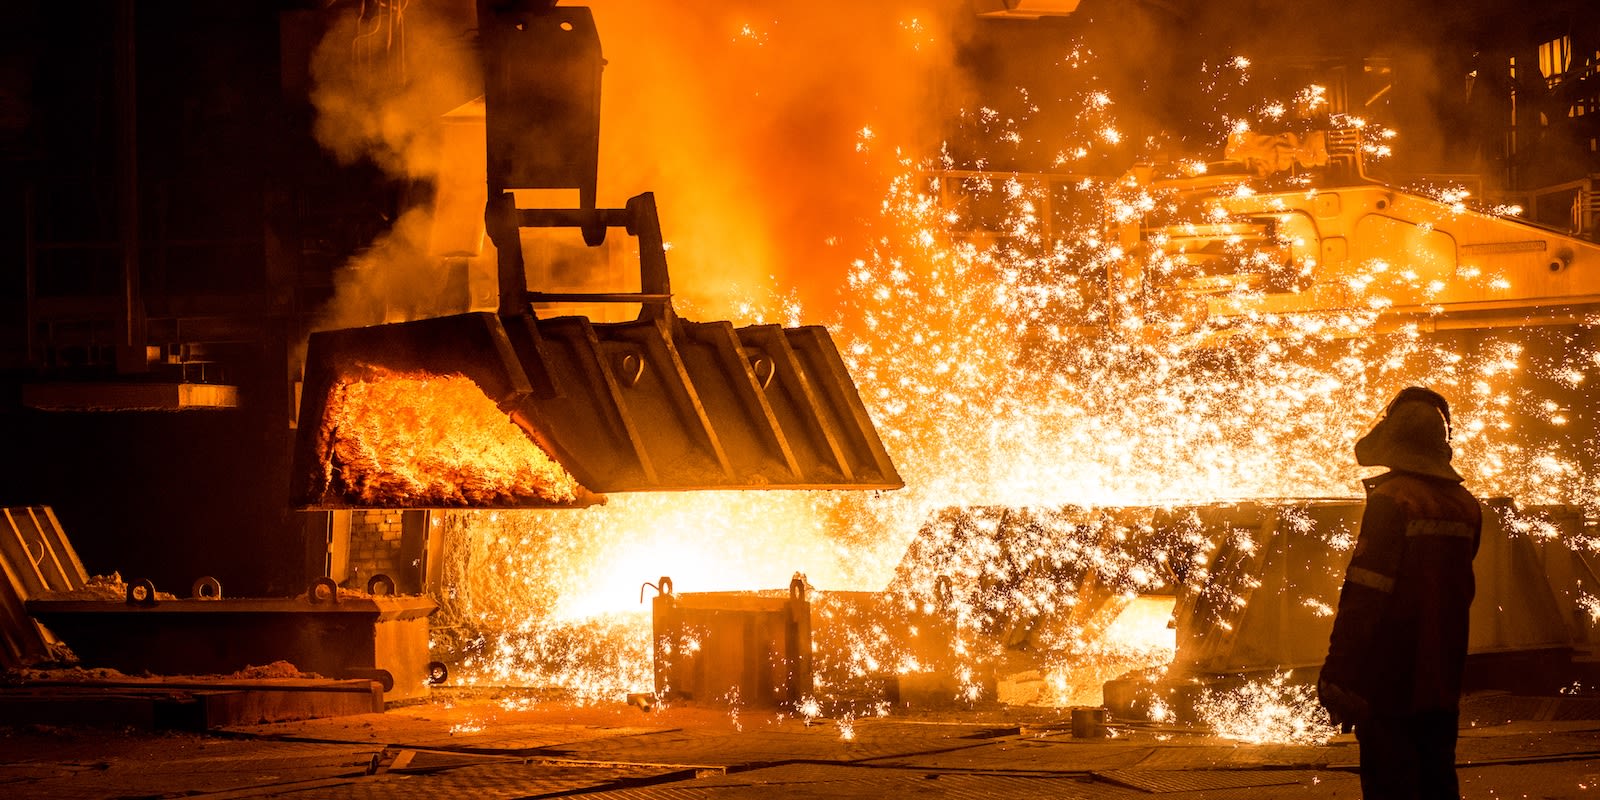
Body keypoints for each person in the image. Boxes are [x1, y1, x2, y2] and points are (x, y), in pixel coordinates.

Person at [1319, 386, 1483, 800]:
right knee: (1437, 779)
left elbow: (1365, 595)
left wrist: (1338, 675)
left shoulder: (1393, 500)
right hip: (1443, 672)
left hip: (1389, 676)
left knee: (1391, 783)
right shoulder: (1466, 504)